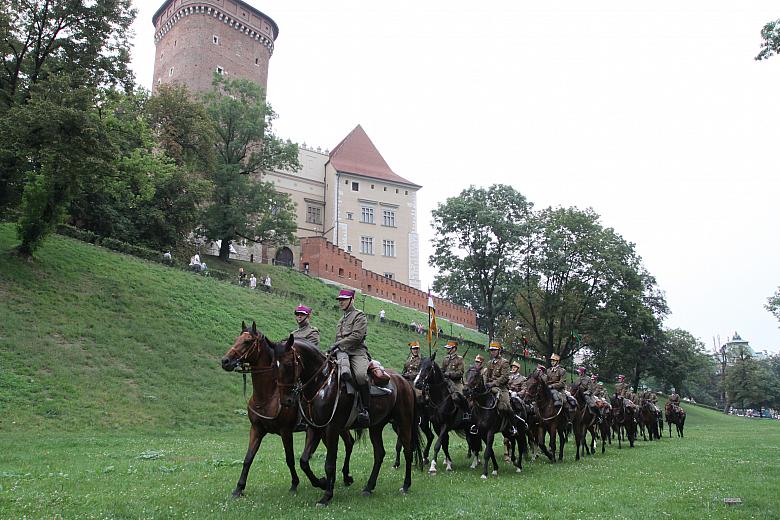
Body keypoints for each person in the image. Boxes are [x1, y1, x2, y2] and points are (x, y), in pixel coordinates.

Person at [330, 289, 371, 428]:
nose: (341, 302)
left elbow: (357, 336)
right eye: (339, 300)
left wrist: (338, 344)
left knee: (360, 376)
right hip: (340, 352)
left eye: (344, 299)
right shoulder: (341, 319)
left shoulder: (359, 315)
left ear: (352, 300)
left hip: (356, 352)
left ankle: (365, 408)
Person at [484, 341, 515, 433]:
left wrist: (493, 383)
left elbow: (504, 377)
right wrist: (486, 383)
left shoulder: (504, 362)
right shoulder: (489, 363)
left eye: (494, 350)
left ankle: (512, 426)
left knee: (506, 407)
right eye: (491, 350)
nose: (492, 352)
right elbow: (487, 375)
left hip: (502, 388)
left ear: (499, 351)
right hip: (489, 387)